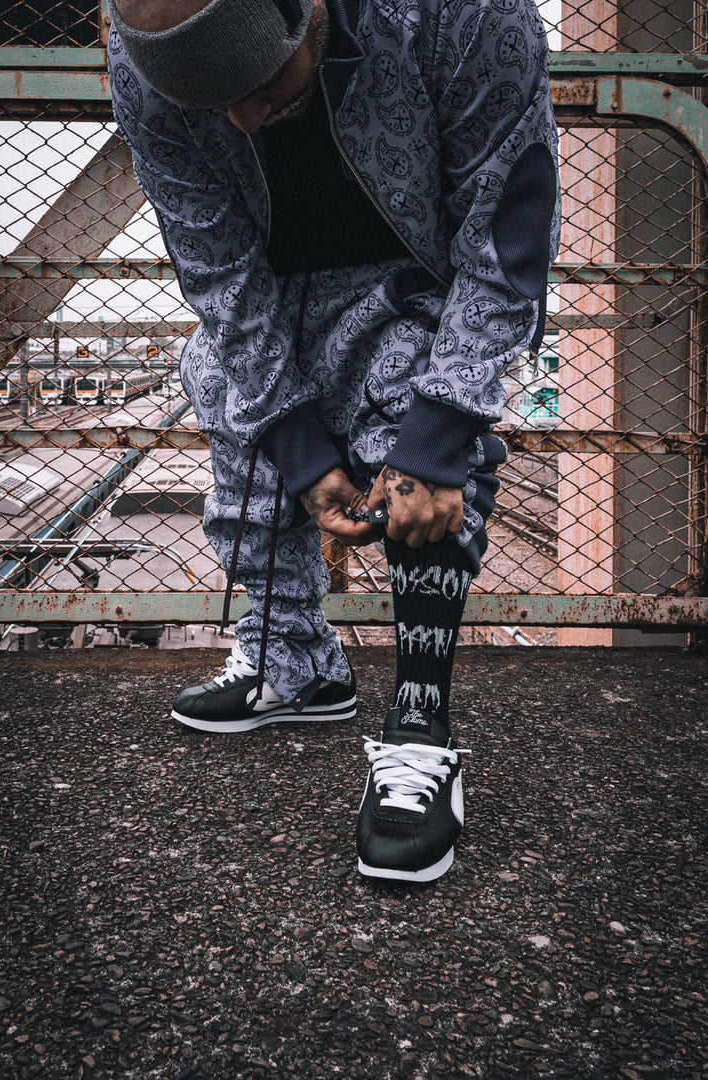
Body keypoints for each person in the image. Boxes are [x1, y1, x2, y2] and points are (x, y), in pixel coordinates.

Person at [107, 0, 560, 882]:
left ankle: (420, 727)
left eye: (256, 85)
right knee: (229, 387)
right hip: (279, 283)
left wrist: (438, 435)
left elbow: (505, 225)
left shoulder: (464, 13)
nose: (239, 118)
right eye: (210, 104)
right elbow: (216, 267)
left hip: (413, 276)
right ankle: (297, 665)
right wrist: (298, 446)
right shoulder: (139, 61)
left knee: (418, 417)